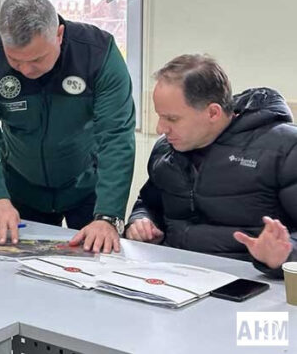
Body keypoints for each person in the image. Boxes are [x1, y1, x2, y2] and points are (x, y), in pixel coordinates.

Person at [0, 0, 135, 252]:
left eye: (37, 59)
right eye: (15, 61)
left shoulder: (98, 53)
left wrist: (109, 215)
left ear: (59, 34)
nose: (27, 71)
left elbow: (116, 135)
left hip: (87, 188)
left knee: (93, 273)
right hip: (20, 190)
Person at [126, 54, 297, 277]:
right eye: (160, 116)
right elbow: (149, 203)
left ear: (213, 112)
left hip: (254, 284)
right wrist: (141, 221)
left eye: (172, 119)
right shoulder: (166, 149)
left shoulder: (284, 149)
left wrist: (285, 255)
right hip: (172, 278)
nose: (160, 128)